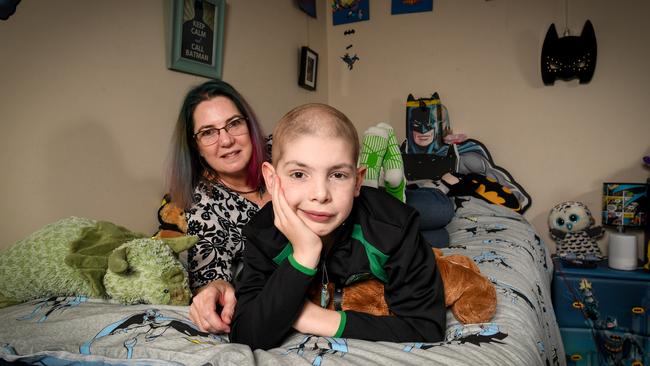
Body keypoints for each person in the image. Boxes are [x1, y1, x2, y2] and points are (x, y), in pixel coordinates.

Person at [230, 103, 446, 350]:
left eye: (338, 175)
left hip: (387, 212)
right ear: (271, 179)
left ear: (357, 181)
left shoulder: (394, 229)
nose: (320, 195)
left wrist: (313, 318)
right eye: (299, 174)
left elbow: (426, 327)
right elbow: (246, 334)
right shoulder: (261, 234)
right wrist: (304, 254)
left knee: (440, 217)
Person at [167, 80, 270, 334]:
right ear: (197, 147)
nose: (226, 140)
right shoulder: (204, 203)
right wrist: (212, 291)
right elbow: (210, 272)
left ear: (249, 125)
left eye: (234, 123)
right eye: (208, 132)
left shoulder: (283, 153)